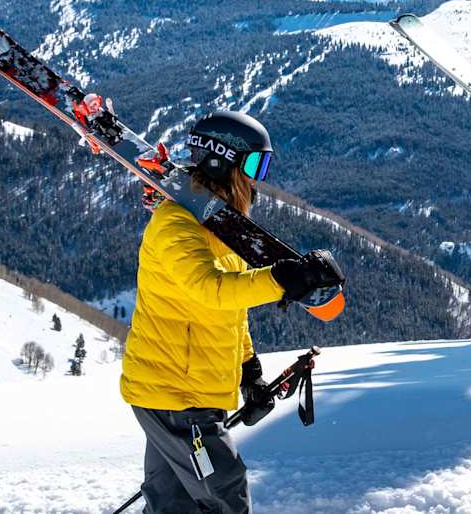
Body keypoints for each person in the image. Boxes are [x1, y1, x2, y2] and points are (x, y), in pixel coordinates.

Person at [120, 110, 344, 514]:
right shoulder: (175, 226)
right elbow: (212, 291)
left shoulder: (222, 232)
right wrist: (280, 279)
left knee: (175, 503)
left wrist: (249, 373)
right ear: (223, 162)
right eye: (254, 164)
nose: (257, 179)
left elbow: (231, 309)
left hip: (181, 392)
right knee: (225, 491)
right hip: (176, 398)